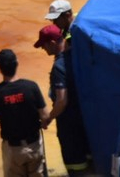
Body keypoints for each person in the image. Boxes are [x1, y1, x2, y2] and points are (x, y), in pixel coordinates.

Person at [35, 25, 91, 175]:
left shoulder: (59, 67)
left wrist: (48, 118)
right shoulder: (77, 56)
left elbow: (61, 101)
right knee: (91, 162)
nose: (43, 49)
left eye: (44, 45)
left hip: (69, 126)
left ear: (52, 43)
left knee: (76, 167)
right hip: (87, 119)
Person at [0, 49, 49, 177]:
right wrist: (43, 124)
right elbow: (44, 116)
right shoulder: (31, 87)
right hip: (34, 144)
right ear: (17, 63)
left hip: (12, 148)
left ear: (0, 68)